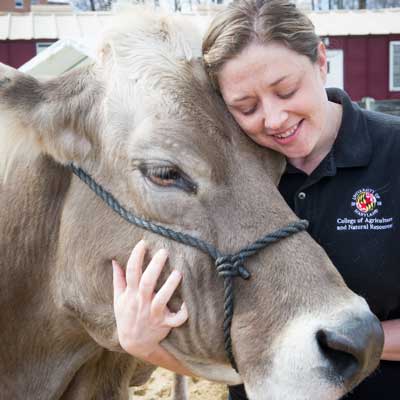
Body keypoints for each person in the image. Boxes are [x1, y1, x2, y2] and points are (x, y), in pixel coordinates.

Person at [112, 0, 400, 398]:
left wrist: (343, 344)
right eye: (245, 107)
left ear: (320, 60)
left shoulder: (394, 152)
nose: (274, 119)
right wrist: (145, 345)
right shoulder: (224, 177)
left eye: (287, 90)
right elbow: (232, 359)